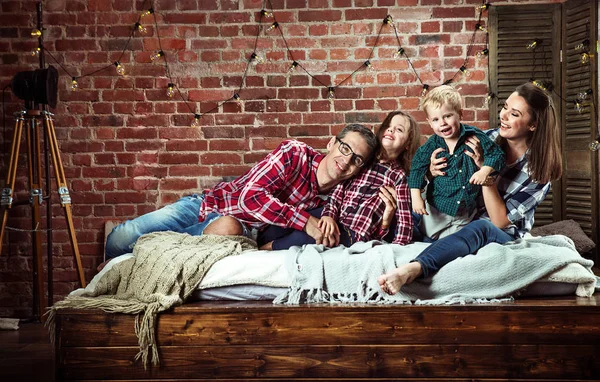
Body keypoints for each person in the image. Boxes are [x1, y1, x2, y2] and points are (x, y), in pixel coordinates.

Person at [379, 82, 563, 294]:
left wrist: (486, 171)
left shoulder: (539, 173)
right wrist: (432, 169)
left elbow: (499, 221)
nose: (503, 116)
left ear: (533, 124)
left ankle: (413, 269)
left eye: (514, 114)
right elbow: (447, 168)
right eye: (504, 107)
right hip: (463, 213)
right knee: (418, 207)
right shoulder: (487, 138)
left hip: (498, 229)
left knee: (480, 229)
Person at [105, 123, 378, 260]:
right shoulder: (295, 153)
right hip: (208, 204)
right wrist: (305, 221)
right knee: (120, 238)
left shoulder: (338, 198)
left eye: (357, 159)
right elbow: (250, 197)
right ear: (331, 143)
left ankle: (136, 261)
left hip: (242, 229)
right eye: (345, 148)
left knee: (228, 229)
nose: (347, 160)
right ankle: (122, 261)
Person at [258, 110, 421, 250]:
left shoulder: (399, 177)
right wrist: (328, 215)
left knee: (311, 236)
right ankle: (264, 237)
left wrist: (398, 246)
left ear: (407, 143)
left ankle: (267, 249)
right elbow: (338, 193)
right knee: (299, 219)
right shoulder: (361, 161)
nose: (391, 130)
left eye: (399, 129)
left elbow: (404, 218)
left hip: (354, 231)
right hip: (336, 216)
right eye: (388, 126)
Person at [409, 85, 505, 240]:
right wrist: (416, 197)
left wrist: (484, 171)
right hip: (436, 208)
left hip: (464, 210)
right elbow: (416, 168)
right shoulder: (433, 144)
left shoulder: (475, 136)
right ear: (429, 122)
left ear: (460, 114)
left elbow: (497, 155)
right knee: (427, 238)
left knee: (452, 243)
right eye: (435, 119)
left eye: (447, 116)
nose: (442, 123)